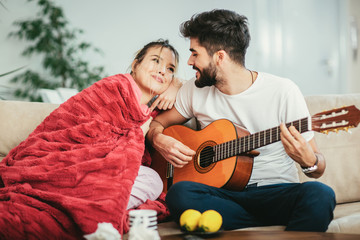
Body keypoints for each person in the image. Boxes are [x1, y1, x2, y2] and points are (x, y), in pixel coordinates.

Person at [147, 10, 336, 232]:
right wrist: (159, 139)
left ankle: (227, 223)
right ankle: (262, 223)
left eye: (195, 54)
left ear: (219, 57)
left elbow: (317, 168)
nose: (189, 61)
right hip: (224, 194)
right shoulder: (194, 90)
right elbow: (155, 124)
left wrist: (309, 161)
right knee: (179, 194)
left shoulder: (283, 90)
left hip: (275, 191)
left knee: (321, 194)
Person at [0, 39, 180, 239]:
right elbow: (76, 129)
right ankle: (87, 212)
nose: (162, 70)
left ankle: (89, 208)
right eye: (155, 61)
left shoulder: (155, 109)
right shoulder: (115, 87)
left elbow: (193, 89)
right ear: (136, 65)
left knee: (152, 180)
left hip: (106, 172)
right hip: (71, 163)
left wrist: (177, 85)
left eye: (170, 68)